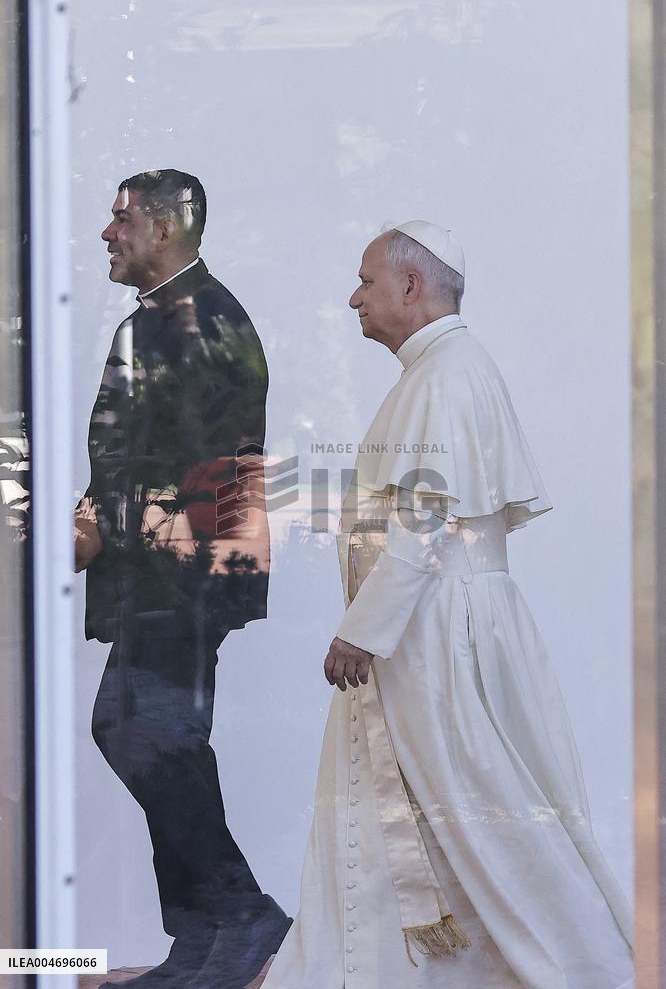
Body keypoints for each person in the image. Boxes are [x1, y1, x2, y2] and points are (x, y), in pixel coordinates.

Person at [262, 222, 633, 988]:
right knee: (434, 810)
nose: (352, 297)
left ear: (411, 286)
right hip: (424, 625)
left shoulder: (448, 374)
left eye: (365, 281)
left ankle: (583, 965)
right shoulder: (434, 374)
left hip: (434, 631)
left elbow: (426, 521)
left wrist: (362, 630)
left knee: (484, 810)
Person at [75, 169, 291, 989]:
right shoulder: (169, 319)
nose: (107, 232)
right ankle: (205, 934)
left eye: (121, 217)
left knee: (145, 731)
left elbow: (205, 471)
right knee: (143, 731)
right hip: (172, 568)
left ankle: (241, 918)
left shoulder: (201, 322)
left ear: (164, 228)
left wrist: (99, 527)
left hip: (183, 572)